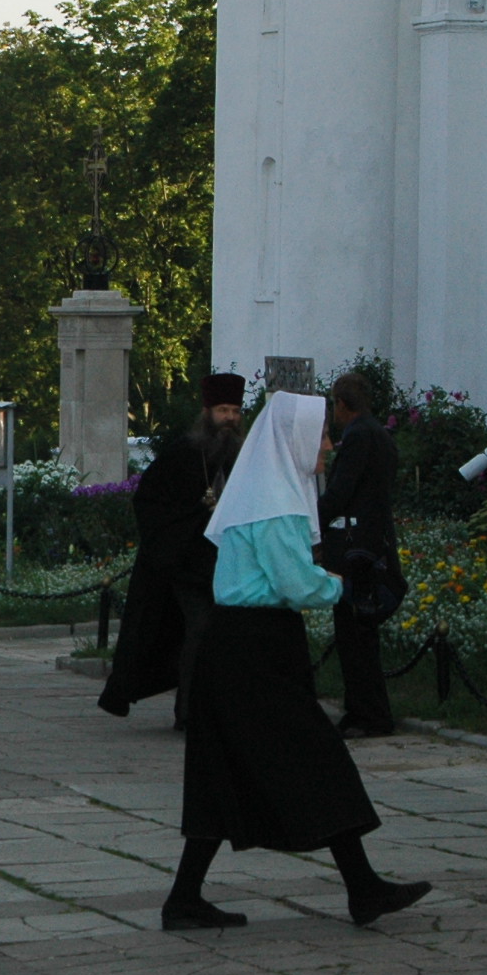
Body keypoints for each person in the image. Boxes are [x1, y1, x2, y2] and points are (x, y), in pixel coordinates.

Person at [170, 392, 431, 931]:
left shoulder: (258, 494)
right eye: (322, 436)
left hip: (237, 644)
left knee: (223, 772)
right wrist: (340, 584)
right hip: (257, 648)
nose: (329, 446)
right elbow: (293, 583)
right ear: (296, 440)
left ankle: (185, 899)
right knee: (320, 760)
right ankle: (362, 888)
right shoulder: (275, 503)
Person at [100, 373, 246, 726]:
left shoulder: (242, 455)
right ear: (207, 412)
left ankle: (216, 708)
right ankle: (189, 713)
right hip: (184, 564)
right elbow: (149, 502)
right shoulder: (182, 454)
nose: (229, 418)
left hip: (225, 563)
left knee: (222, 635)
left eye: (235, 411)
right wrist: (182, 533)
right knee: (200, 628)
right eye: (223, 410)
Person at [320, 371, 403, 739]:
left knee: (354, 635)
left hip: (356, 549)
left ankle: (367, 713)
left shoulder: (357, 436)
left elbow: (341, 491)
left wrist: (312, 520)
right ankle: (366, 711)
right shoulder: (379, 434)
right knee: (361, 635)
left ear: (341, 404)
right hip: (373, 543)